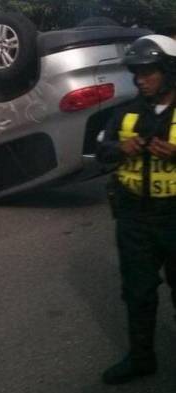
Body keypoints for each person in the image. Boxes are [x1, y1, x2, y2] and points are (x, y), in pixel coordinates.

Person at [96, 34, 176, 385]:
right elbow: (100, 151)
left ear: (169, 71)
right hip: (133, 219)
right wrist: (120, 148)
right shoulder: (124, 112)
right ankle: (142, 358)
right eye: (137, 72)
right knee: (138, 292)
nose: (140, 78)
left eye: (149, 71)